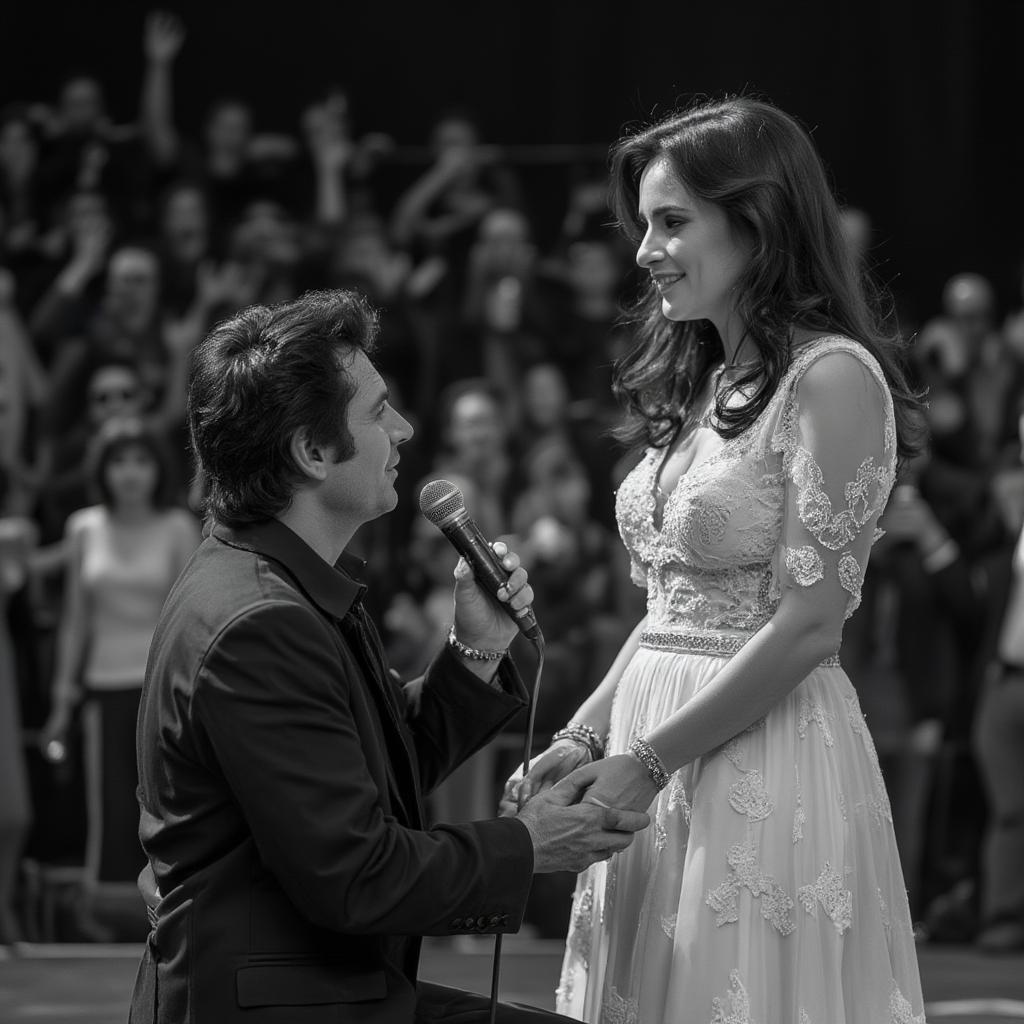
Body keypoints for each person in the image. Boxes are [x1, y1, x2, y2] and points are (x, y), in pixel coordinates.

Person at [503, 97, 929, 1023]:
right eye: (644, 225)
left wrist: (647, 762)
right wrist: (582, 735)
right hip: (649, 747)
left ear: (757, 220)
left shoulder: (832, 379)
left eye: (671, 222)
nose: (645, 250)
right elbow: (667, 613)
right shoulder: (705, 381)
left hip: (760, 755)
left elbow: (811, 625)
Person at [129, 288, 649, 1024]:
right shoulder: (258, 621)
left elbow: (364, 764)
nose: (404, 430)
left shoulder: (277, 579)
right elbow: (357, 877)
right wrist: (528, 845)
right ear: (312, 452)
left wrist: (475, 650)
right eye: (377, 412)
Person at [41, 416, 199, 937]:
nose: (129, 474)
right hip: (101, 687)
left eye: (140, 461)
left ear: (159, 468)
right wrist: (63, 701)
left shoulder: (178, 526)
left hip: (161, 688)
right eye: (118, 461)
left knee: (161, 800)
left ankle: (167, 907)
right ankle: (110, 915)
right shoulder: (83, 527)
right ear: (101, 470)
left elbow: (190, 615)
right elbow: (74, 624)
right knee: (108, 804)